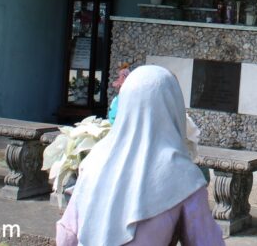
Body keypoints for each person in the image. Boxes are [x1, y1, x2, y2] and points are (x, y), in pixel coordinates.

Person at [57, 65, 224, 246]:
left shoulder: (94, 160)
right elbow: (205, 241)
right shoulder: (184, 176)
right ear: (174, 106)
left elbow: (67, 235)